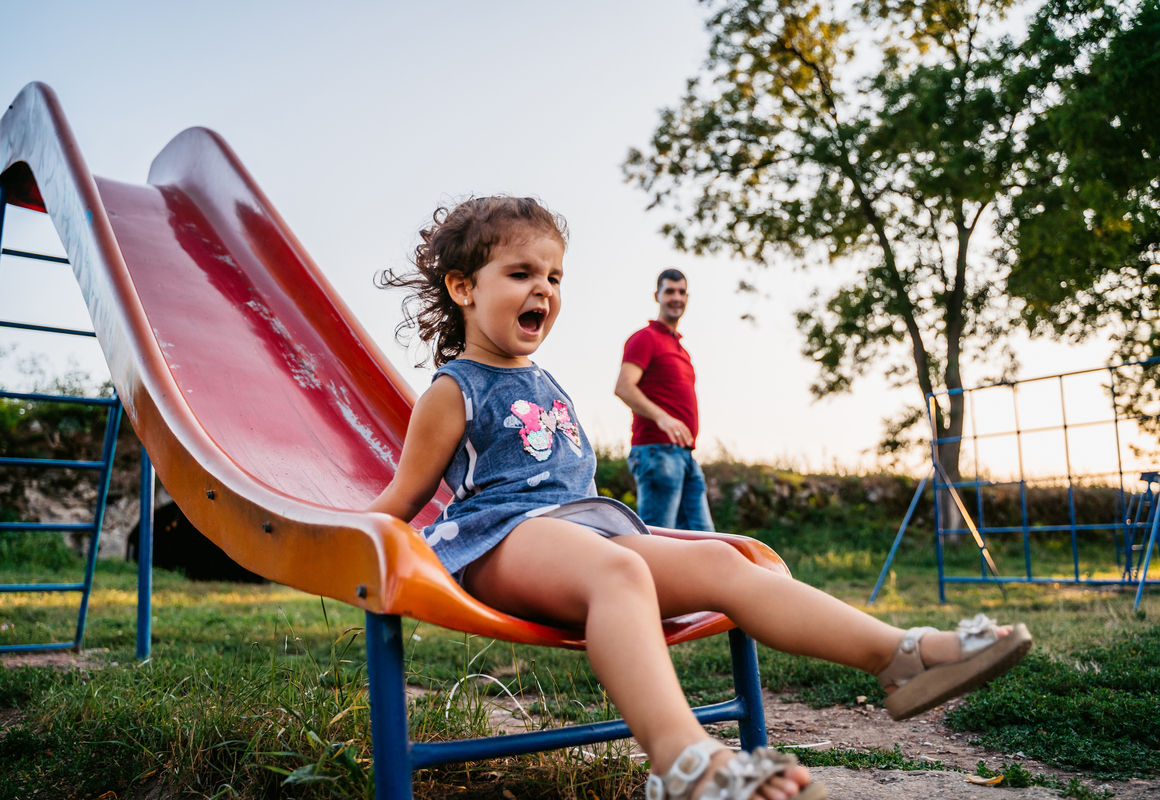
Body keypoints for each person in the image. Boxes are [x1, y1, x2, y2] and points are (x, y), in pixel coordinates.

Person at [369, 196, 1033, 800]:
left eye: (554, 277)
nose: (543, 288)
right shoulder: (453, 391)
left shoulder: (544, 380)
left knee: (722, 562)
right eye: (520, 274)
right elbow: (406, 494)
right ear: (463, 288)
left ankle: (899, 656)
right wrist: (346, 539)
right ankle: (684, 761)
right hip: (500, 542)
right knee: (619, 568)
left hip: (581, 536)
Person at [615, 269, 713, 531]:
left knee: (706, 541)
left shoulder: (681, 349)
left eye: (681, 292)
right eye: (669, 291)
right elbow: (624, 387)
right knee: (658, 540)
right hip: (657, 452)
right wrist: (663, 418)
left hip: (685, 455)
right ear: (657, 295)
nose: (676, 297)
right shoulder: (645, 338)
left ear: (687, 297)